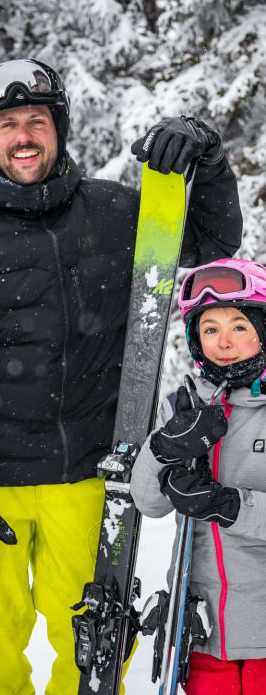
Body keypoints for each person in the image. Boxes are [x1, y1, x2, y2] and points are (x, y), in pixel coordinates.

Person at [0, 58, 243, 694]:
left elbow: (211, 249)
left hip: (88, 481)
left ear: (59, 129)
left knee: (89, 650)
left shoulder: (115, 214)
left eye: (37, 120)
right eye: (8, 124)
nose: (23, 136)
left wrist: (210, 159)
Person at [131, 258, 266, 695]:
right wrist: (164, 448)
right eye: (210, 329)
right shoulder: (186, 406)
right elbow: (148, 502)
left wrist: (227, 506)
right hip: (204, 630)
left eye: (239, 326)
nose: (224, 342)